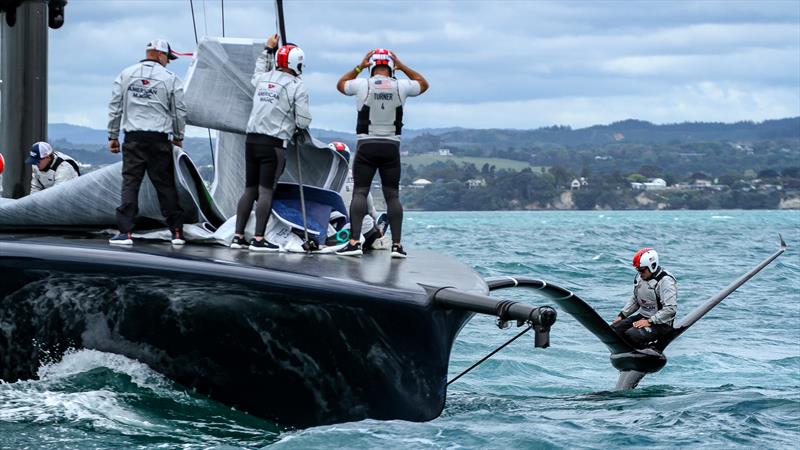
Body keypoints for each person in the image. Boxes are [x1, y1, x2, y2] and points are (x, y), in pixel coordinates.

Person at [335, 48, 428, 258]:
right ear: (390, 66)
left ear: (373, 67)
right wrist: (402, 66)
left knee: (359, 192)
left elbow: (341, 84)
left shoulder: (362, 84)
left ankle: (353, 242)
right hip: (391, 147)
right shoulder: (401, 85)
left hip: (366, 145)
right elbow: (423, 83)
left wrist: (360, 66)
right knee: (392, 196)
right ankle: (396, 246)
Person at [230, 34, 311, 252]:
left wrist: (267, 49)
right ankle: (258, 238)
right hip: (274, 145)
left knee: (249, 190)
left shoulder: (263, 79)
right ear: (296, 63)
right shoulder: (297, 85)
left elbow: (256, 72)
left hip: (251, 141)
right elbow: (303, 121)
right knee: (266, 191)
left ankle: (237, 237)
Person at [107, 39, 187, 246]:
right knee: (165, 186)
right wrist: (178, 137)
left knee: (130, 184)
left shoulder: (125, 74)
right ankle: (177, 232)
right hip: (159, 140)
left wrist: (112, 136)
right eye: (167, 58)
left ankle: (125, 233)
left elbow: (115, 107)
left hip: (133, 138)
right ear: (160, 55)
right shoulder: (170, 78)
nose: (168, 62)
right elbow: (179, 111)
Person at [611, 247, 678, 349]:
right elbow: (635, 300)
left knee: (632, 334)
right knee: (614, 329)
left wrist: (649, 321)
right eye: (638, 270)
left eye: (642, 270)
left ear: (652, 266)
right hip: (643, 317)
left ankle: (645, 349)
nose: (640, 274)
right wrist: (622, 316)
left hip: (661, 324)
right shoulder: (641, 277)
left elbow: (670, 309)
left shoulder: (665, 281)